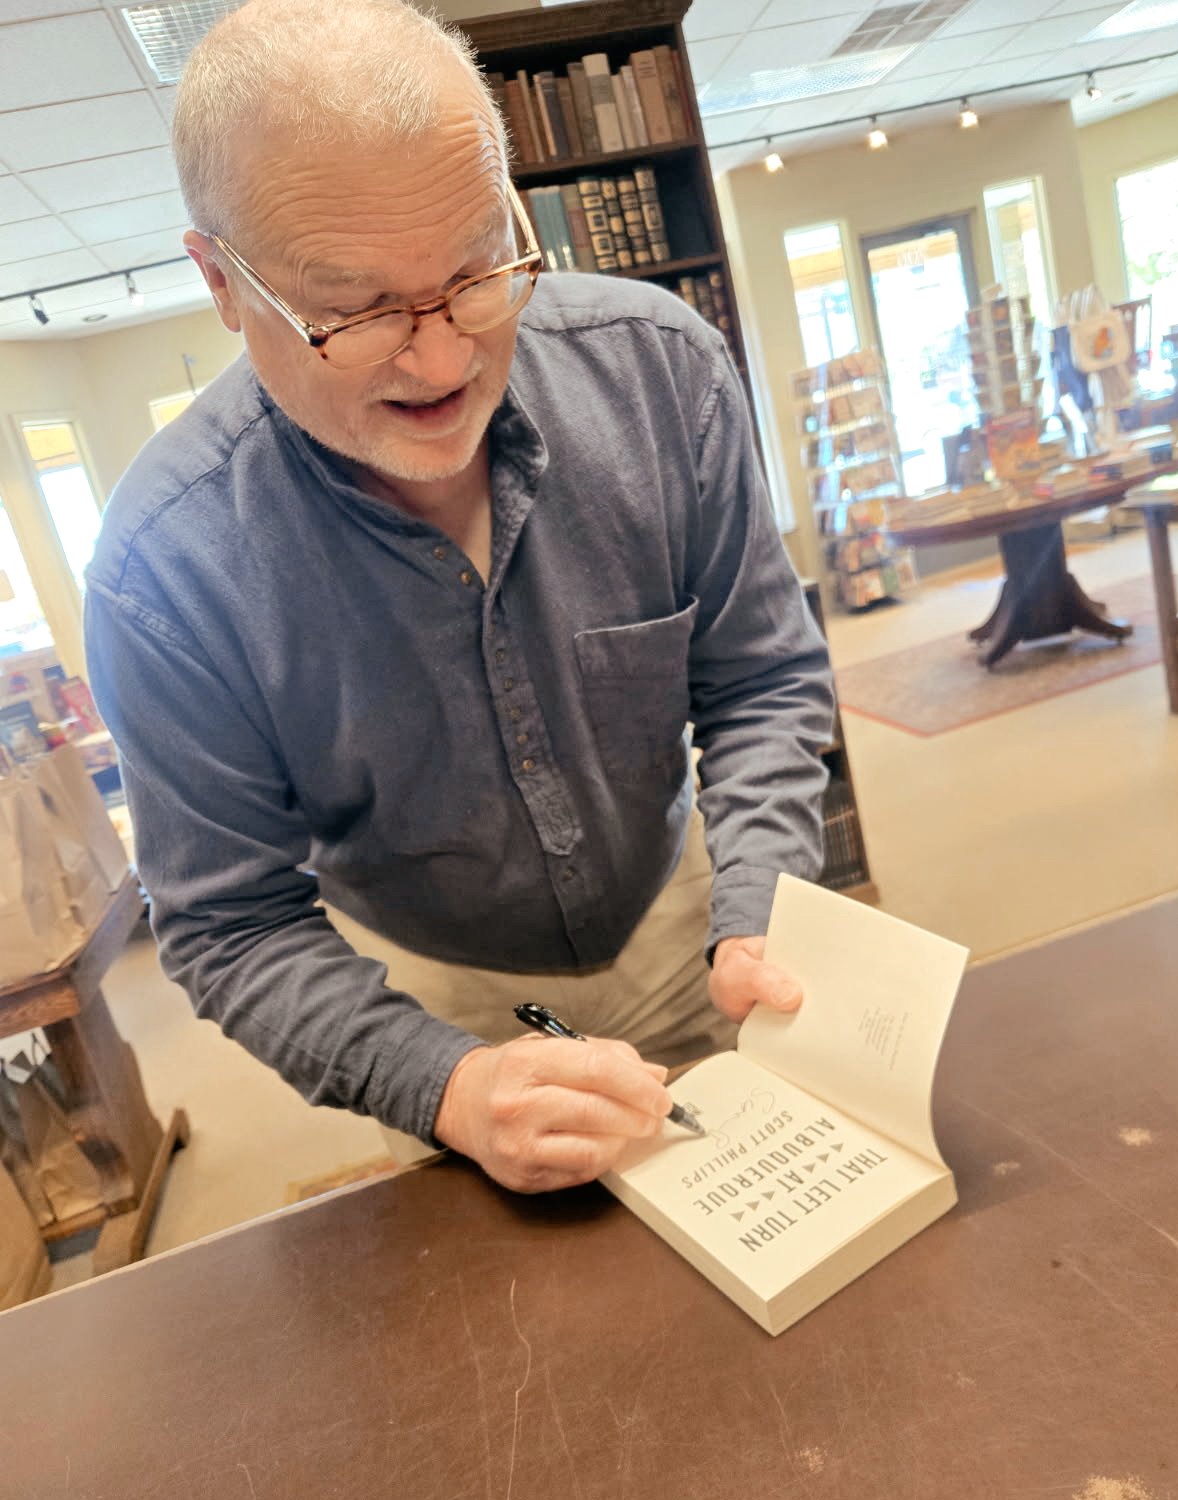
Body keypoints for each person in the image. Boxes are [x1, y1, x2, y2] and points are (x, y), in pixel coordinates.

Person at [85, 0, 835, 1195]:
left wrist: (755, 904)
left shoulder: (661, 375)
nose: (442, 362)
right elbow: (231, 923)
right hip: (429, 989)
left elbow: (759, 681)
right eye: (357, 309)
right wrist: (447, 1086)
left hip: (689, 906)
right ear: (223, 284)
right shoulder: (162, 573)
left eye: (478, 270)